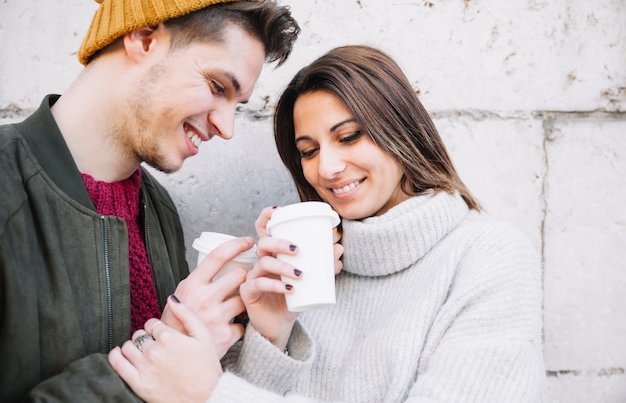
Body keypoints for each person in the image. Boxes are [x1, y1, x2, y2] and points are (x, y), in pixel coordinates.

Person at [108, 45, 546, 402]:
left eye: (349, 136)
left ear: (402, 130)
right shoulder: (306, 265)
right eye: (309, 150)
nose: (328, 168)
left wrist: (213, 394)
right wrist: (270, 335)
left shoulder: (488, 255)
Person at [0, 0, 300, 401]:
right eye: (217, 86)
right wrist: (155, 355)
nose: (227, 128)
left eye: (239, 104)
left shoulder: (158, 210)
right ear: (143, 38)